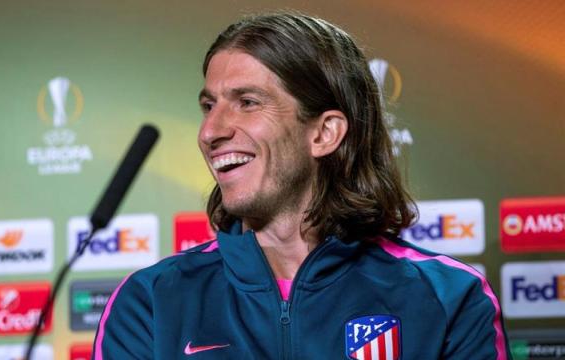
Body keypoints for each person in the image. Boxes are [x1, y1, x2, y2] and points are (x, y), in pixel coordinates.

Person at [93, 12, 510, 359]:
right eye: (208, 105)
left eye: (247, 102)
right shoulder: (148, 303)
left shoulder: (451, 297)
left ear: (324, 133)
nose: (210, 131)